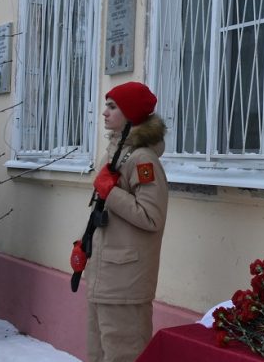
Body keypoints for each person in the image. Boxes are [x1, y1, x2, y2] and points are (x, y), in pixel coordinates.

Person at [85, 81, 169, 362]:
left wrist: (111, 192)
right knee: (98, 354)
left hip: (125, 282)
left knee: (124, 354)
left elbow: (151, 216)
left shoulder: (143, 160)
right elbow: (103, 210)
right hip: (104, 275)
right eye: (106, 106)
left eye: (112, 107)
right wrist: (85, 243)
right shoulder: (116, 151)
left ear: (130, 114)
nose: (104, 112)